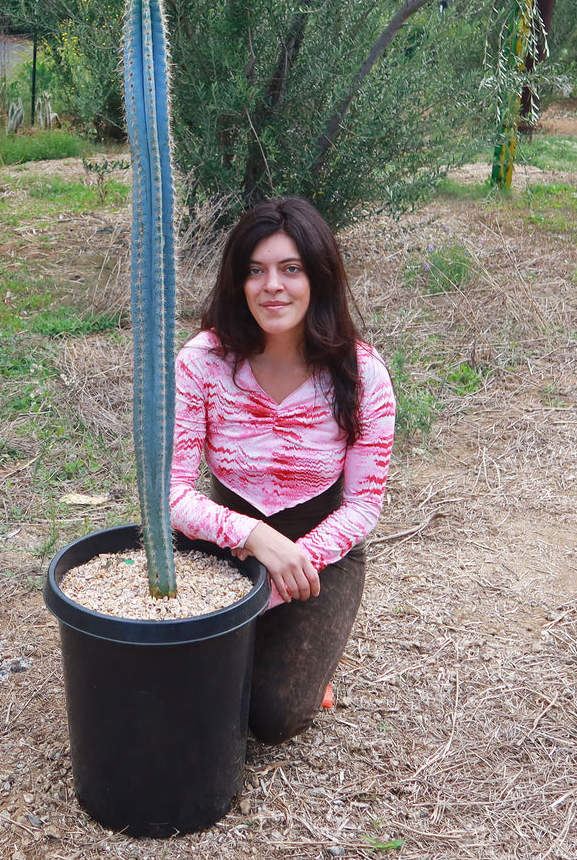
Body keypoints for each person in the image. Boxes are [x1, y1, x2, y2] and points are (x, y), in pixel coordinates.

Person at [170, 196, 396, 745]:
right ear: (238, 283)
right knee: (187, 697)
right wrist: (251, 535)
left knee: (271, 718)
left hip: (318, 554)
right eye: (256, 271)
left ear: (317, 277)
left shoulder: (362, 374)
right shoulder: (202, 361)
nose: (273, 285)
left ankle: (309, 663)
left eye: (290, 269)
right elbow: (170, 491)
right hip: (223, 542)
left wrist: (290, 564)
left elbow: (363, 504)